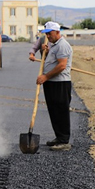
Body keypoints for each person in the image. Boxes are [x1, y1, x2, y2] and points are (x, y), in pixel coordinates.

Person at [36, 21, 73, 151]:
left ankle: (64, 141)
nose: (48, 36)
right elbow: (50, 62)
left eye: (50, 33)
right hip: (51, 83)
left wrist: (45, 76)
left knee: (61, 111)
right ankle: (59, 137)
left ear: (57, 32)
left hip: (60, 83)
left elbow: (62, 65)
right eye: (46, 34)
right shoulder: (53, 45)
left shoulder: (62, 45)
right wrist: (44, 51)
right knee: (54, 111)